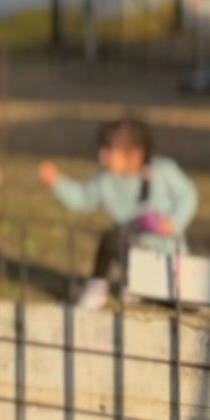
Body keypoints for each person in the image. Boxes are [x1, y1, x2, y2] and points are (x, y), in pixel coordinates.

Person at [38, 117, 198, 311]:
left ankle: (144, 289)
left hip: (169, 259)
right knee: (113, 239)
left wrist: (174, 223)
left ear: (135, 154)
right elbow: (82, 198)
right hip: (132, 253)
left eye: (109, 150)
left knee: (184, 303)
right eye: (102, 149)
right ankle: (96, 290)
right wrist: (56, 181)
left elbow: (188, 195)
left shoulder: (163, 171)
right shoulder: (105, 181)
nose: (101, 155)